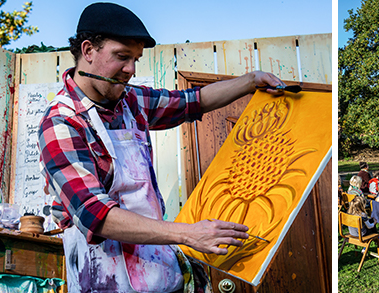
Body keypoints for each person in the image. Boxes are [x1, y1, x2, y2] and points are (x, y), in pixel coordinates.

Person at [39, 3, 292, 292]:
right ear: (88, 51)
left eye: (136, 59)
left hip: (156, 266)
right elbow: (95, 214)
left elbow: (193, 101)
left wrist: (250, 81)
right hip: (103, 275)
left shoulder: (131, 102)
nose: (130, 70)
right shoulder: (61, 121)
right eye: (122, 57)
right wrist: (187, 234)